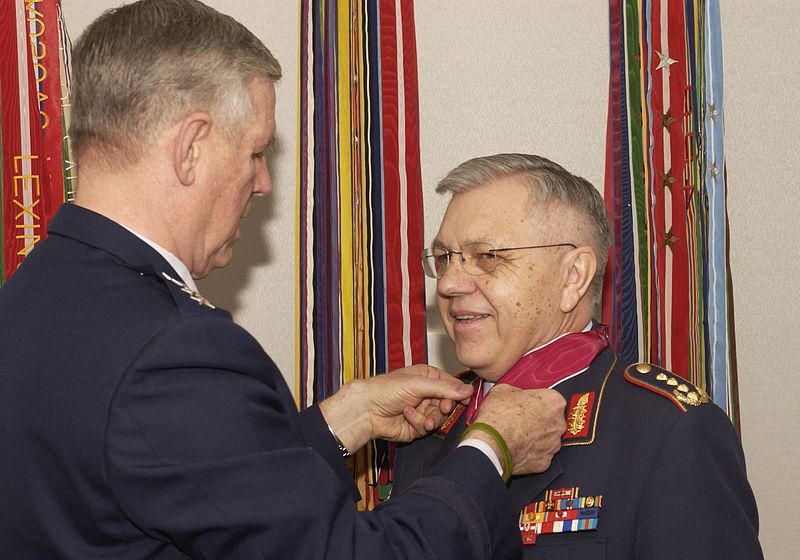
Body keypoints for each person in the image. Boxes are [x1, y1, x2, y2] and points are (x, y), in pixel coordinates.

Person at [0, 2, 568, 559]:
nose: (264, 182)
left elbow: (177, 477)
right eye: (254, 152)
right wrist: (491, 447)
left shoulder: (34, 293)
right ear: (191, 149)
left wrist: (346, 417)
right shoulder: (172, 348)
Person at [392, 153, 764, 559]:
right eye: (445, 258)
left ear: (573, 277)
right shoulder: (428, 421)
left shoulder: (667, 431)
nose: (448, 283)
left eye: (487, 257)